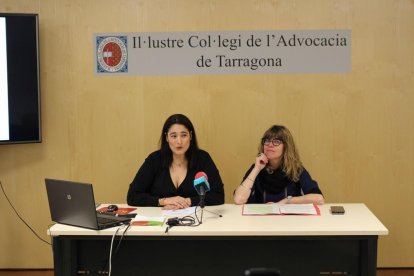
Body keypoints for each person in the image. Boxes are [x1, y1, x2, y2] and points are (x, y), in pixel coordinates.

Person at [127, 114, 225, 209]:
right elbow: (132, 196)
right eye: (174, 136)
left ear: (190, 136)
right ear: (166, 138)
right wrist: (164, 201)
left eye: (184, 135)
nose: (179, 141)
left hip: (195, 220)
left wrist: (188, 201)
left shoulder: (203, 159)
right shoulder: (154, 160)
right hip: (161, 220)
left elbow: (218, 196)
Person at [234, 125, 324, 205]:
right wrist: (256, 169)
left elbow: (319, 199)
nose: (270, 145)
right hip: (261, 221)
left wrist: (286, 201)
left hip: (289, 221)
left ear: (286, 147)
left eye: (276, 142)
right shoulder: (256, 168)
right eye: (267, 141)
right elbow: (238, 200)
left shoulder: (295, 169)